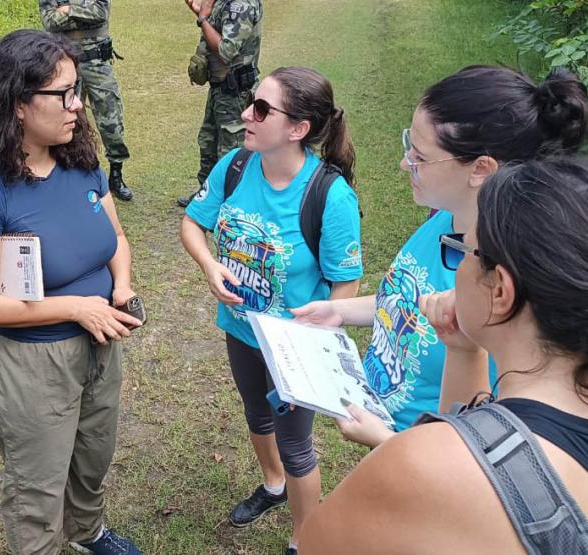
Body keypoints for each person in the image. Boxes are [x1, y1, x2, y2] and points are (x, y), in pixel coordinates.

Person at [301, 156, 588, 554]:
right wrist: (463, 347)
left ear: (501, 291)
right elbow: (480, 434)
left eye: (463, 252)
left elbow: (317, 542)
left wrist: (390, 448)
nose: (454, 265)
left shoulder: (423, 463)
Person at [292, 65, 588, 447]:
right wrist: (341, 312)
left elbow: (491, 449)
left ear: (481, 169)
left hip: (429, 469)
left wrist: (388, 443)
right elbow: (413, 300)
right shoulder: (446, 218)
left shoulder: (501, 290)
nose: (404, 164)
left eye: (420, 156)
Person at [0, 30, 142, 555]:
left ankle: (87, 531)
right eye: (64, 94)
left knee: (93, 454)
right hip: (33, 361)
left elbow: (116, 239)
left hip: (101, 340)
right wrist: (76, 308)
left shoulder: (81, 162)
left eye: (78, 90)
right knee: (38, 482)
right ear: (18, 105)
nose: (77, 105)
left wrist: (120, 288)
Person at [180, 67, 363, 555]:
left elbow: (346, 280)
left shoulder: (330, 195)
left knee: (298, 445)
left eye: (261, 109)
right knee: (255, 411)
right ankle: (272, 484)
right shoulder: (236, 165)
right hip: (241, 330)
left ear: (298, 128)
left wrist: (315, 343)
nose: (246, 114)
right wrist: (209, 265)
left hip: (294, 349)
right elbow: (193, 224)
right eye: (250, 102)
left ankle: (304, 540)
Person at [39, 0, 134, 201]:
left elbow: (100, 13)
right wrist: (84, 14)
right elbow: (49, 22)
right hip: (63, 64)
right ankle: (71, 174)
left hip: (98, 63)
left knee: (111, 120)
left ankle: (116, 174)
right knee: (66, 120)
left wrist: (67, 10)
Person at [177, 0, 263, 208]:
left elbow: (226, 51)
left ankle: (231, 203)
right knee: (208, 142)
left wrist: (203, 19)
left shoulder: (240, 5)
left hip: (234, 94)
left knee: (231, 152)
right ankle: (206, 196)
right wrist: (201, 13)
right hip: (220, 90)